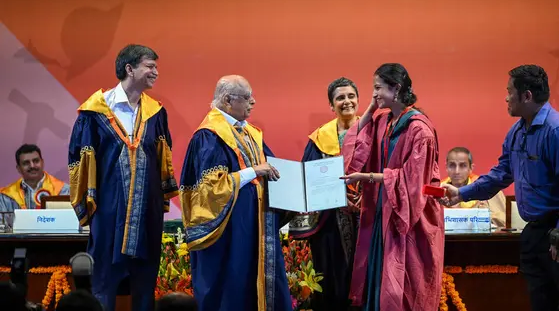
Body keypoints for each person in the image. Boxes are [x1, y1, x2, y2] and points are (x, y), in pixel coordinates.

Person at [441, 64, 559, 311]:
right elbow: (501, 174)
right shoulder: (517, 132)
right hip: (536, 232)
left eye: (509, 91)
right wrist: (462, 193)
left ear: (526, 95)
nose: (506, 97)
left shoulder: (557, 130)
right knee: (540, 302)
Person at [68, 44, 178, 311]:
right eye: (150, 66)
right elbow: (79, 161)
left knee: (144, 284)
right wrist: (89, 204)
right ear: (129, 68)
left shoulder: (156, 112)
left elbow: (163, 157)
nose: (156, 72)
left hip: (147, 213)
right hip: (108, 211)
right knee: (104, 284)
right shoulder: (93, 113)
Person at [180, 75, 292, 311]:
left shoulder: (250, 133)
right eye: (247, 97)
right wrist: (253, 171)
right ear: (228, 99)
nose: (253, 102)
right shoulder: (209, 136)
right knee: (233, 285)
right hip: (229, 231)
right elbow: (210, 189)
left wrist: (296, 191)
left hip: (254, 225)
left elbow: (272, 170)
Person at [341, 63, 444, 311]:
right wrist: (369, 108)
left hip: (408, 219)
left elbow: (414, 182)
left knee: (406, 285)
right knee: (379, 282)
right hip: (383, 213)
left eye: (378, 88)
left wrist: (371, 178)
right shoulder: (384, 121)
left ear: (396, 88)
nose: (374, 94)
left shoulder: (419, 129)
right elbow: (352, 151)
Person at [288, 77, 360, 311]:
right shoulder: (320, 139)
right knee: (331, 280)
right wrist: (339, 195)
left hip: (367, 219)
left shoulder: (373, 133)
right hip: (330, 224)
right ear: (331, 105)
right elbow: (309, 178)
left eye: (351, 96)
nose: (347, 101)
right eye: (340, 98)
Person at [441, 147, 506, 228]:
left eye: (463, 166)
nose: (456, 171)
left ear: (471, 168)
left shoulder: (486, 189)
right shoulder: (438, 193)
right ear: (446, 167)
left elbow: (503, 220)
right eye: (452, 165)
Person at [0, 144, 69, 212]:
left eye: (36, 161)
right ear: (18, 168)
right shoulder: (5, 196)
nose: (32, 166)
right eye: (26, 163)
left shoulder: (64, 191)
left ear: (42, 162)